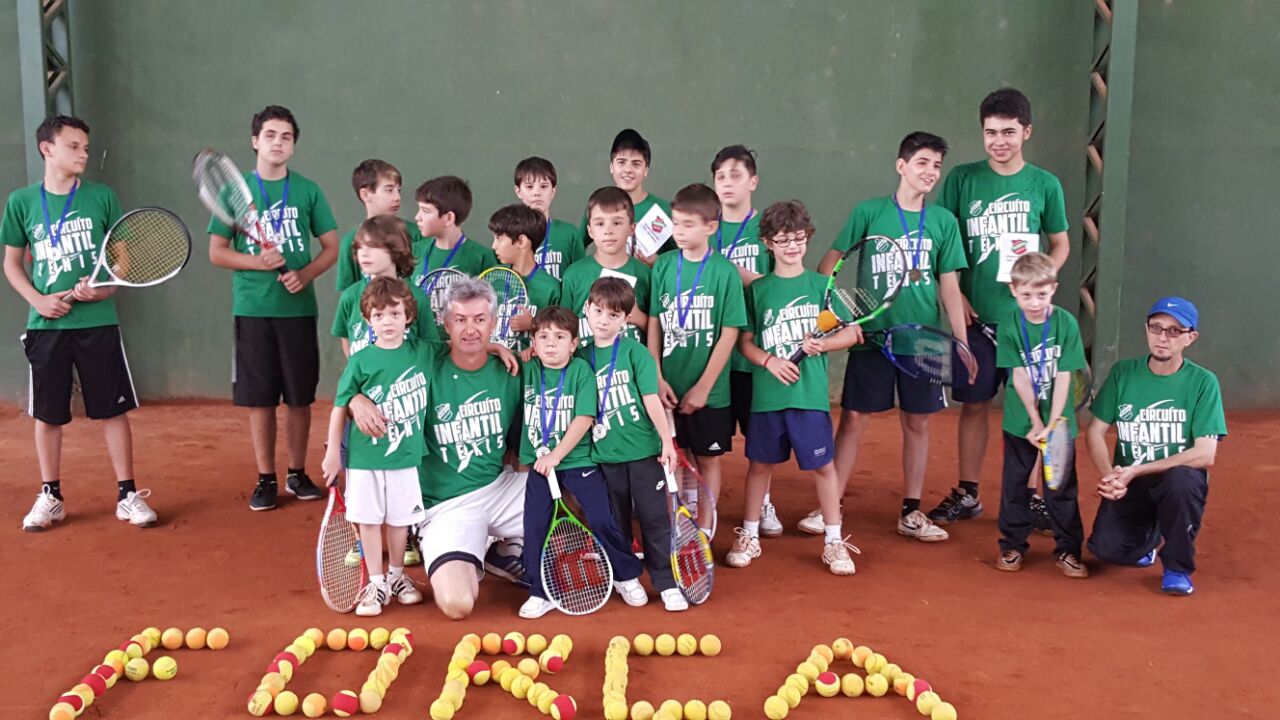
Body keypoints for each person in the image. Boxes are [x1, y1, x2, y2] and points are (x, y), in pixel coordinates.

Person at [810, 132, 973, 542]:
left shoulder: (943, 222)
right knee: (854, 419)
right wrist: (842, 315)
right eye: (922, 163)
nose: (930, 172)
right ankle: (831, 506)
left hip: (922, 342)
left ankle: (911, 511)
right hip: (872, 339)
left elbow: (949, 287)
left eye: (936, 165)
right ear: (901, 166)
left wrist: (961, 341)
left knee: (917, 423)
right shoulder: (868, 212)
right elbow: (828, 267)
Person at [3, 115, 156, 531]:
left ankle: (127, 495)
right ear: (47, 149)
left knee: (112, 411)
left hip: (98, 323)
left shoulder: (102, 197)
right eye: (73, 146)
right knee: (48, 414)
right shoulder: (22, 202)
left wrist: (103, 290)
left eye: (86, 147)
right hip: (46, 327)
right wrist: (38, 300)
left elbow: (121, 263)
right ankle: (50, 496)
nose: (83, 154)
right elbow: (12, 263)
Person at [932, 88, 1071, 532]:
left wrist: (1039, 280)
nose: (999, 141)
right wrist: (959, 296)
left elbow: (1060, 243)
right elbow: (942, 243)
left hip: (1026, 321)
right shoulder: (961, 179)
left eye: (1008, 132)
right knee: (974, 405)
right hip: (975, 319)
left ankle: (1027, 497)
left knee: (1026, 408)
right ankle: (968, 492)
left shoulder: (1045, 184)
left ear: (1026, 132)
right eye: (991, 132)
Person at [348, 278, 522, 619]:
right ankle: (478, 549)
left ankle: (505, 548)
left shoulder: (512, 369)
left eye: (480, 319)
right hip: (447, 507)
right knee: (457, 604)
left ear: (493, 323)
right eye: (460, 320)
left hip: (500, 489)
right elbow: (369, 377)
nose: (470, 329)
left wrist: (499, 348)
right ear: (445, 323)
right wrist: (355, 400)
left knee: (574, 485)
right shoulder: (420, 365)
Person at [207, 105, 339, 511]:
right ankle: (266, 478)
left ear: (293, 146)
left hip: (298, 311)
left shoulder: (308, 191)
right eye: (270, 135)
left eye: (286, 137)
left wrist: (305, 274)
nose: (278, 143)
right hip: (253, 309)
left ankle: (297, 473)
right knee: (260, 398)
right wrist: (257, 262)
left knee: (299, 397)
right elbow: (217, 252)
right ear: (255, 141)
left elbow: (331, 247)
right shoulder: (234, 192)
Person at [726, 201, 862, 575]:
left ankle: (834, 540)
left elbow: (851, 333)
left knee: (823, 467)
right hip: (767, 398)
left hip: (809, 397)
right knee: (759, 466)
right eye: (784, 239)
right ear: (768, 243)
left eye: (799, 238)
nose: (792, 246)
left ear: (808, 238)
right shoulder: (759, 290)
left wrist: (824, 344)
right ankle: (749, 534)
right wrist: (769, 361)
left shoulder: (821, 286)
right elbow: (745, 343)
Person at [1085, 297, 1225, 596]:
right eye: (1156, 328)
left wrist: (1138, 469)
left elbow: (1205, 453)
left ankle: (1177, 567)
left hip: (1175, 477)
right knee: (1107, 550)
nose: (1162, 337)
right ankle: (1150, 536)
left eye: (1174, 331)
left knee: (1182, 482)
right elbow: (1095, 431)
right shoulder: (1124, 373)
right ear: (1146, 329)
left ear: (1190, 337)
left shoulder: (1203, 382)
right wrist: (1111, 475)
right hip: (1130, 481)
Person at [517, 306, 646, 618]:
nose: (550, 343)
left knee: (601, 518)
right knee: (534, 526)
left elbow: (584, 418)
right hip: (540, 466)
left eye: (560, 337)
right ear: (533, 343)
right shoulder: (529, 369)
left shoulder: (580, 372)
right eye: (543, 337)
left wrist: (556, 455)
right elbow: (497, 358)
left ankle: (625, 575)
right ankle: (540, 590)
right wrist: (507, 351)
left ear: (574, 344)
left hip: (577, 460)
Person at [321, 278, 428, 616]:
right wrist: (332, 454)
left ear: (408, 316)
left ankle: (397, 576)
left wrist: (497, 348)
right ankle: (376, 582)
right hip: (364, 459)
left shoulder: (423, 352)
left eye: (395, 313)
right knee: (368, 520)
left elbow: (459, 350)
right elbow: (340, 406)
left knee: (399, 521)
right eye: (379, 315)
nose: (388, 321)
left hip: (406, 457)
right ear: (368, 320)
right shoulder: (361, 360)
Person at [578, 277, 684, 610]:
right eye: (598, 311)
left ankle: (666, 583)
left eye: (613, 315)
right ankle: (625, 577)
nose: (603, 321)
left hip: (643, 453)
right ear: (586, 309)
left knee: (654, 519)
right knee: (616, 521)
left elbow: (651, 399)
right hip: (604, 455)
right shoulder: (579, 357)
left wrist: (666, 442)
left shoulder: (636, 353)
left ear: (625, 319)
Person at [647, 183, 747, 534]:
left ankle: (705, 530)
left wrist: (704, 387)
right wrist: (656, 376)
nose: (679, 231)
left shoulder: (724, 272)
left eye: (688, 224)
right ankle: (677, 528)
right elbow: (654, 324)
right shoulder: (663, 266)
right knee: (672, 458)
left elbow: (729, 334)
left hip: (711, 393)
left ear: (711, 227)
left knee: (708, 460)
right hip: (667, 388)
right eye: (675, 223)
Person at [993, 253, 1087, 577]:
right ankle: (1012, 545)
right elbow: (1019, 376)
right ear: (1014, 291)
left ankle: (1068, 549)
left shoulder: (1066, 323)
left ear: (1054, 289)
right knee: (1016, 486)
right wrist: (1034, 422)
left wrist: (1052, 424)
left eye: (1042, 294)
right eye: (1027, 295)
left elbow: (1064, 377)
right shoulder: (1009, 325)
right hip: (1020, 422)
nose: (1034, 302)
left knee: (1060, 488)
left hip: (1058, 423)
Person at [710, 144, 780, 535]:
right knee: (710, 444)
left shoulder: (768, 231)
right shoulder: (705, 227)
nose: (727, 183)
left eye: (735, 175)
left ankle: (764, 503)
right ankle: (701, 506)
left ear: (753, 181)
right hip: (714, 357)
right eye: (720, 176)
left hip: (754, 354)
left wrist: (737, 274)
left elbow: (779, 284)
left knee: (760, 440)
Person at [331, 216, 435, 356]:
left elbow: (429, 345)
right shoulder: (350, 296)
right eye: (360, 247)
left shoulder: (416, 297)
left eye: (372, 247)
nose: (364, 253)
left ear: (396, 250)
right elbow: (345, 337)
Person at [562, 187, 651, 346]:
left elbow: (660, 331)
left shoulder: (645, 274)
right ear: (590, 231)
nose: (608, 231)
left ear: (632, 228)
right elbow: (563, 329)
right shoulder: (574, 275)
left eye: (617, 223)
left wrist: (637, 316)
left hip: (632, 361)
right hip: (586, 361)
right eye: (600, 223)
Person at [579, 129, 673, 262]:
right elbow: (577, 249)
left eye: (636, 164)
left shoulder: (665, 210)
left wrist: (658, 262)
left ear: (646, 170)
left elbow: (683, 258)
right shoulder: (598, 206)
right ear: (611, 167)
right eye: (621, 162)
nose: (628, 170)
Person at [334, 159, 423, 293]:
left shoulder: (416, 234)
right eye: (389, 190)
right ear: (365, 194)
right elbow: (348, 294)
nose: (397, 197)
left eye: (398, 190)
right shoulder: (350, 241)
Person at [487, 204, 562, 354]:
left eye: (499, 238)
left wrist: (533, 323)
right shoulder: (494, 280)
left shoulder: (550, 288)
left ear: (522, 241)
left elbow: (560, 333)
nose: (494, 246)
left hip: (530, 365)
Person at [410, 175, 498, 287]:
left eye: (426, 211)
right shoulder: (413, 252)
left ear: (449, 218)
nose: (417, 217)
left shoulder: (482, 257)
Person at [512, 157, 583, 281]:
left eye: (544, 186)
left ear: (553, 192)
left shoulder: (569, 234)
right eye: (529, 187)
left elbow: (580, 279)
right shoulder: (509, 236)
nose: (537, 193)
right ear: (518, 191)